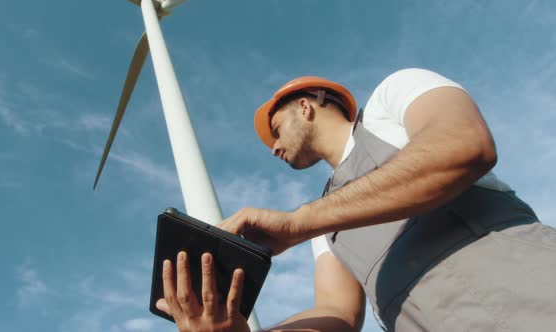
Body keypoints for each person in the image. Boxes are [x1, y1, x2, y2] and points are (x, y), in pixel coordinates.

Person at [156, 68, 556, 331]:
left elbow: (465, 146)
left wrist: (299, 221)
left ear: (306, 106)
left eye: (277, 130)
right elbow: (339, 315)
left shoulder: (391, 101)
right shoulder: (324, 227)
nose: (273, 147)